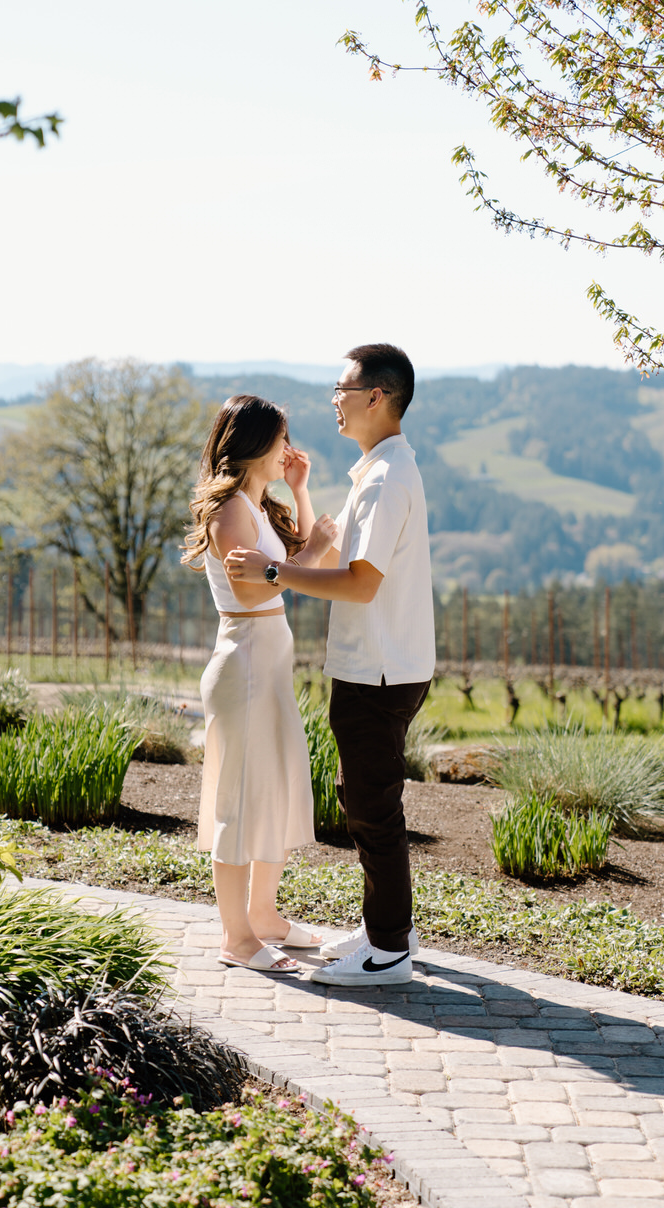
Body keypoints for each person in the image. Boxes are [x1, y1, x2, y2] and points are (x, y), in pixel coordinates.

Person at [225, 344, 435, 986]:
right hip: (379, 663)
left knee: (372, 805)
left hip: (378, 668)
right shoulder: (377, 472)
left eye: (341, 390)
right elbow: (327, 547)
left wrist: (272, 571)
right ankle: (382, 928)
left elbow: (361, 581)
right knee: (363, 796)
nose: (333, 401)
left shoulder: (386, 478)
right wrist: (302, 499)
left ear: (376, 396)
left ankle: (390, 950)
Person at [182, 394, 337, 974]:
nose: (288, 449)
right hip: (243, 663)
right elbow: (253, 590)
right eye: (281, 441)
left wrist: (298, 488)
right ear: (252, 445)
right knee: (239, 803)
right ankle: (237, 938)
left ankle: (266, 916)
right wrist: (315, 549)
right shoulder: (227, 510)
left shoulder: (259, 503)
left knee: (271, 791)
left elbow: (295, 561)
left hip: (267, 666)